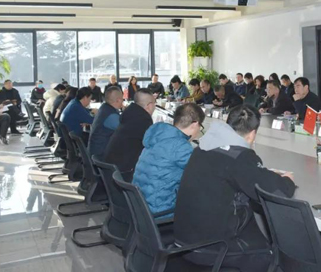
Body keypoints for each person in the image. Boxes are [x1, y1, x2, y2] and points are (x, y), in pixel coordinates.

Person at [174, 105, 295, 271]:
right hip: (213, 248)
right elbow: (277, 192)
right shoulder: (240, 156)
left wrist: (261, 173)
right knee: (271, 255)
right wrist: (287, 180)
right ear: (252, 134)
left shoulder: (202, 148)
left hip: (185, 241)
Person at [133, 103, 204, 215]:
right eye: (201, 127)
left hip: (139, 206)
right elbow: (201, 174)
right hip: (159, 211)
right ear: (195, 124)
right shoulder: (180, 146)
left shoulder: (158, 136)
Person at [104, 89, 156, 173]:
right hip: (124, 172)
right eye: (154, 103)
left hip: (112, 169)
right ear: (149, 105)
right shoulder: (143, 120)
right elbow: (153, 146)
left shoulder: (130, 115)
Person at [88, 86, 124, 159]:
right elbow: (126, 131)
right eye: (122, 99)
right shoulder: (111, 116)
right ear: (118, 100)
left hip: (95, 153)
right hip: (101, 156)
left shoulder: (104, 108)